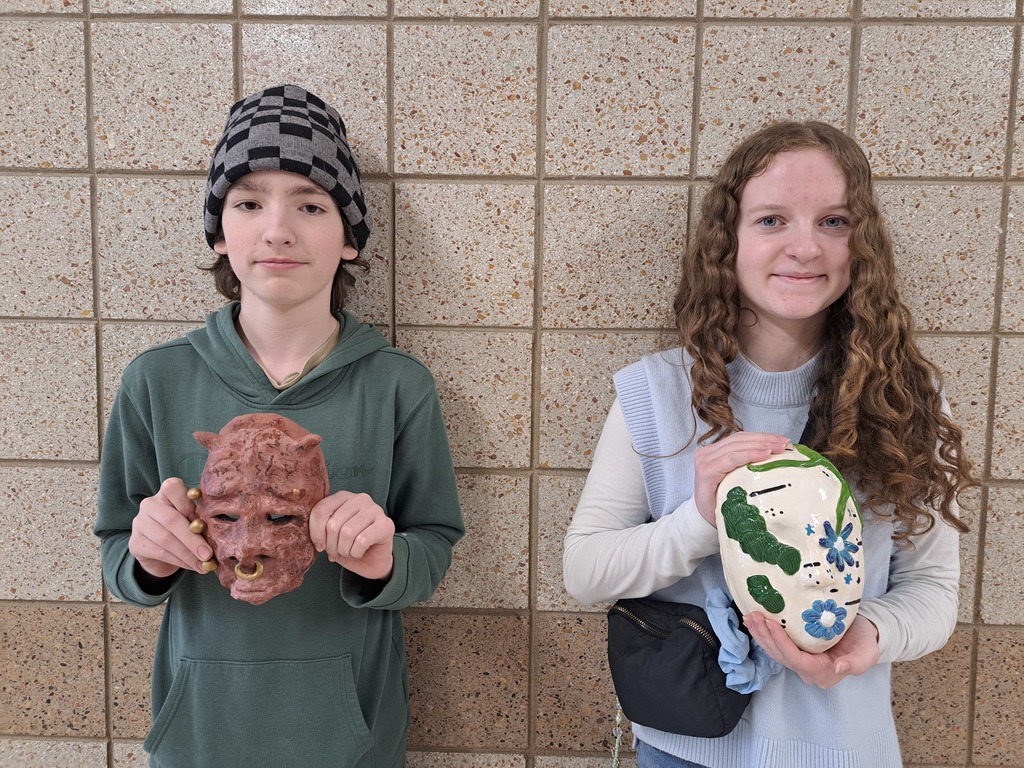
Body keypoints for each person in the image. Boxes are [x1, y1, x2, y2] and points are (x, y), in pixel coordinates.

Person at [562, 121, 975, 768]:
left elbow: (933, 592)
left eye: (835, 222)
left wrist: (866, 638)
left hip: (842, 752)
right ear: (728, 241)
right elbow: (585, 572)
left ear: (862, 244)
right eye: (772, 220)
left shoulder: (906, 403)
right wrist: (700, 520)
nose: (805, 247)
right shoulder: (656, 394)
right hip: (684, 750)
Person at [95, 84, 464, 768]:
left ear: (349, 238)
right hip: (199, 738)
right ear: (219, 231)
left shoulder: (396, 386)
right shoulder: (155, 380)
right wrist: (145, 557)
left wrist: (386, 562)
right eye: (249, 202)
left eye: (311, 204)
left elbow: (435, 543)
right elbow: (117, 550)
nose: (277, 229)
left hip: (351, 739)